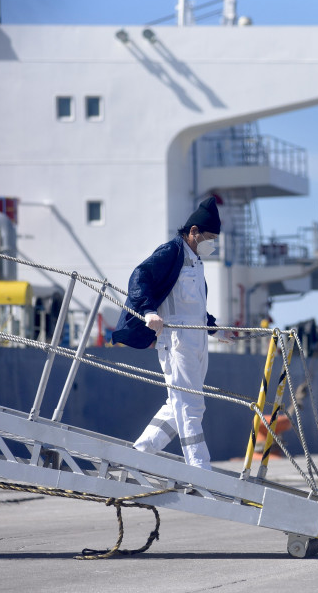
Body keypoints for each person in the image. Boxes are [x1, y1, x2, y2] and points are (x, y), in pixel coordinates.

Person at [112, 197, 229, 470]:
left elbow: (195, 309)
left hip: (197, 339)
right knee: (191, 406)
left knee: (177, 405)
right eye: (209, 237)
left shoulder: (196, 261)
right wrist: (148, 310)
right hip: (177, 341)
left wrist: (216, 330)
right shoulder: (172, 252)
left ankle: (138, 456)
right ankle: (200, 469)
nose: (212, 243)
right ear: (193, 232)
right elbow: (140, 275)